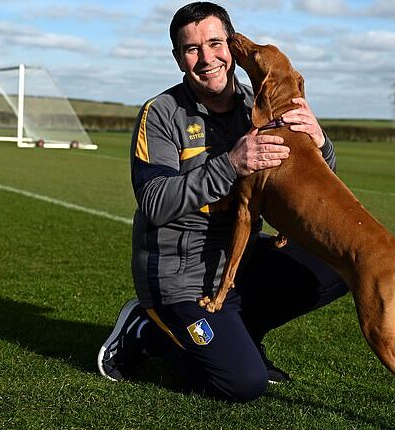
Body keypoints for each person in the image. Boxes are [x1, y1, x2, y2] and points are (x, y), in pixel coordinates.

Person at [98, 1, 348, 402]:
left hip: (237, 262)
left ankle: (240, 334)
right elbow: (155, 202)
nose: (207, 58)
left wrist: (320, 144)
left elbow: (311, 184)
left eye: (215, 43)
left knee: (340, 261)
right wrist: (231, 162)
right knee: (242, 384)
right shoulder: (160, 114)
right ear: (179, 58)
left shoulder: (260, 104)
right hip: (181, 275)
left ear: (231, 46)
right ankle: (145, 329)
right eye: (192, 49)